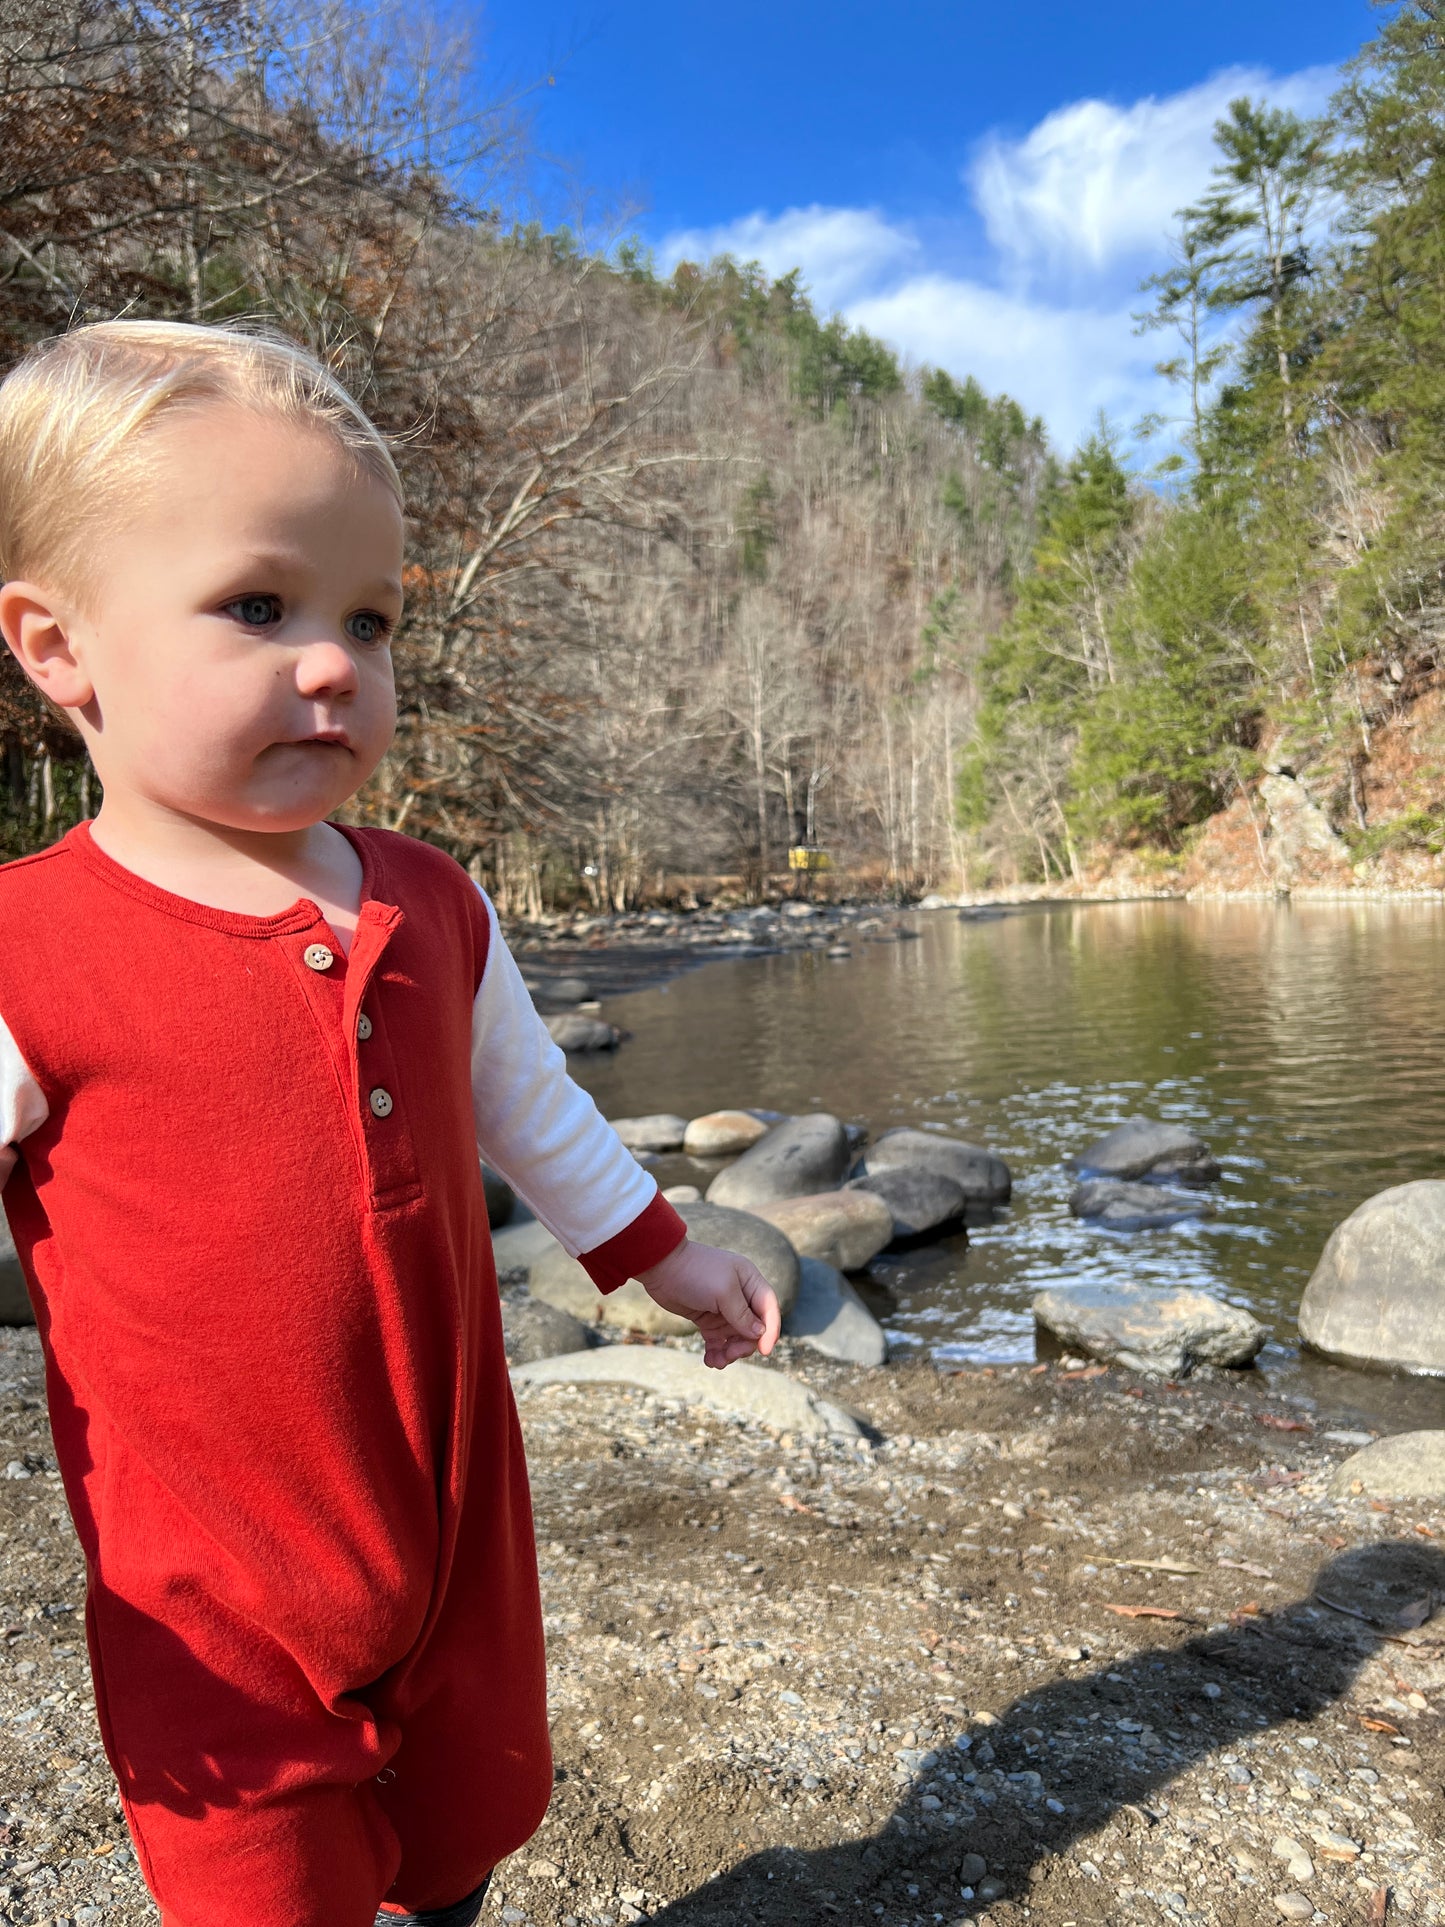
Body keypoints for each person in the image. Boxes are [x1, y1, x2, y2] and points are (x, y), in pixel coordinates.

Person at [0, 320, 782, 1927]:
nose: (333, 662)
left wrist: (660, 1254)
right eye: (259, 606)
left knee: (468, 1811)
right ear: (59, 647)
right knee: (264, 1882)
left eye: (369, 618)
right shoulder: (30, 952)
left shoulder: (429, 902)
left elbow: (529, 1104)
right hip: (209, 1580)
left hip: (451, 1517)